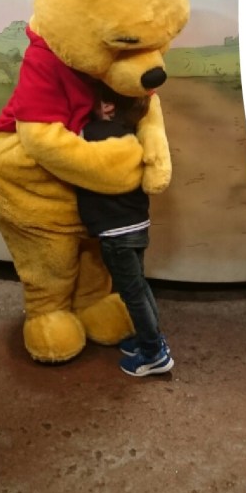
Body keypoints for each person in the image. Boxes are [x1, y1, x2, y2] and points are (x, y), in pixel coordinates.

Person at [75, 84, 172, 377]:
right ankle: (152, 339)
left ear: (107, 106)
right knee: (139, 286)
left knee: (132, 293)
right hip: (137, 224)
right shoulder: (131, 134)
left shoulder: (92, 133)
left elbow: (67, 153)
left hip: (115, 231)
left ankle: (153, 354)